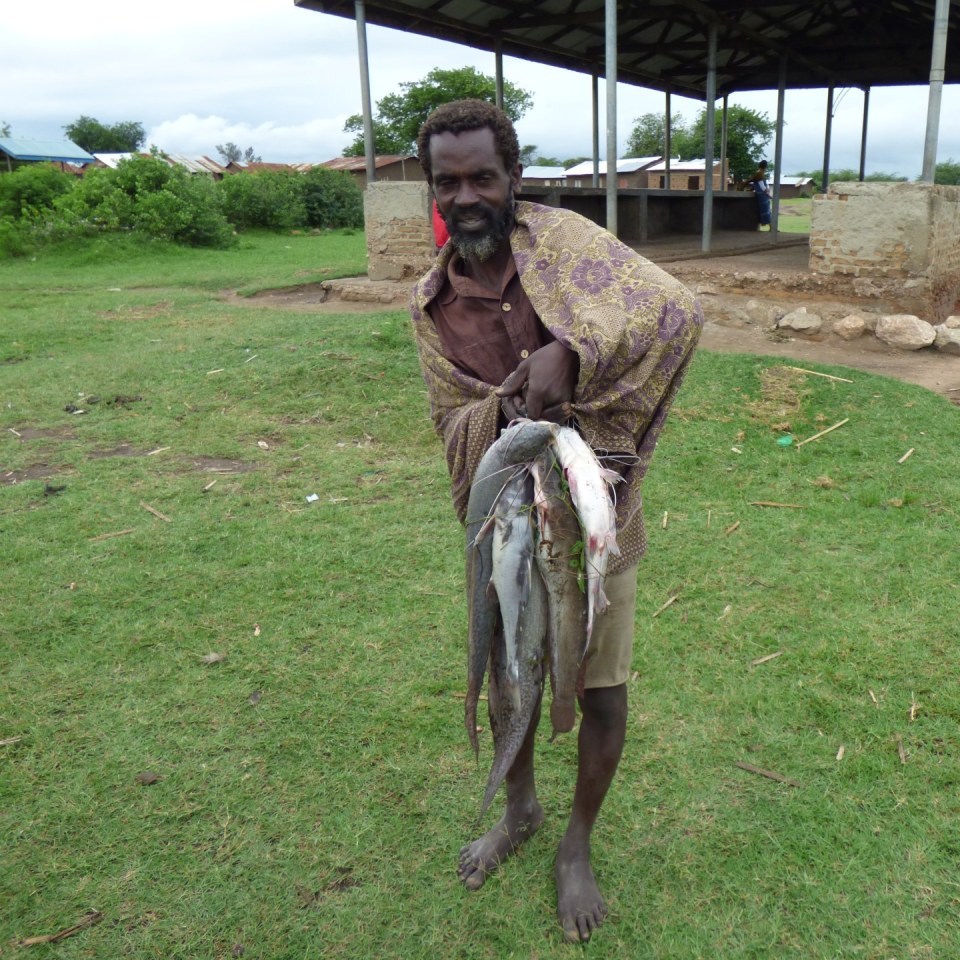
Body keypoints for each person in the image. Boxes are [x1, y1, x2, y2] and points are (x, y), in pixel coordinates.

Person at [410, 99, 702, 943]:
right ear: (433, 189)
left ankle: (577, 843)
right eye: (448, 182)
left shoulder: (570, 244)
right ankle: (521, 809)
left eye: (482, 177)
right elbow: (452, 421)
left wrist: (573, 352)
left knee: (599, 688)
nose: (466, 196)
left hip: (595, 522)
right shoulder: (429, 303)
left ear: (514, 176)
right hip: (505, 529)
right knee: (513, 679)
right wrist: (503, 413)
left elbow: (671, 309)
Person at [746, 160, 773, 229]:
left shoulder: (759, 173)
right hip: (762, 195)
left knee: (766, 210)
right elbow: (762, 186)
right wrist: (768, 194)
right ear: (765, 166)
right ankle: (771, 226)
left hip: (763, 195)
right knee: (766, 210)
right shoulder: (760, 173)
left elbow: (758, 184)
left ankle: (771, 226)